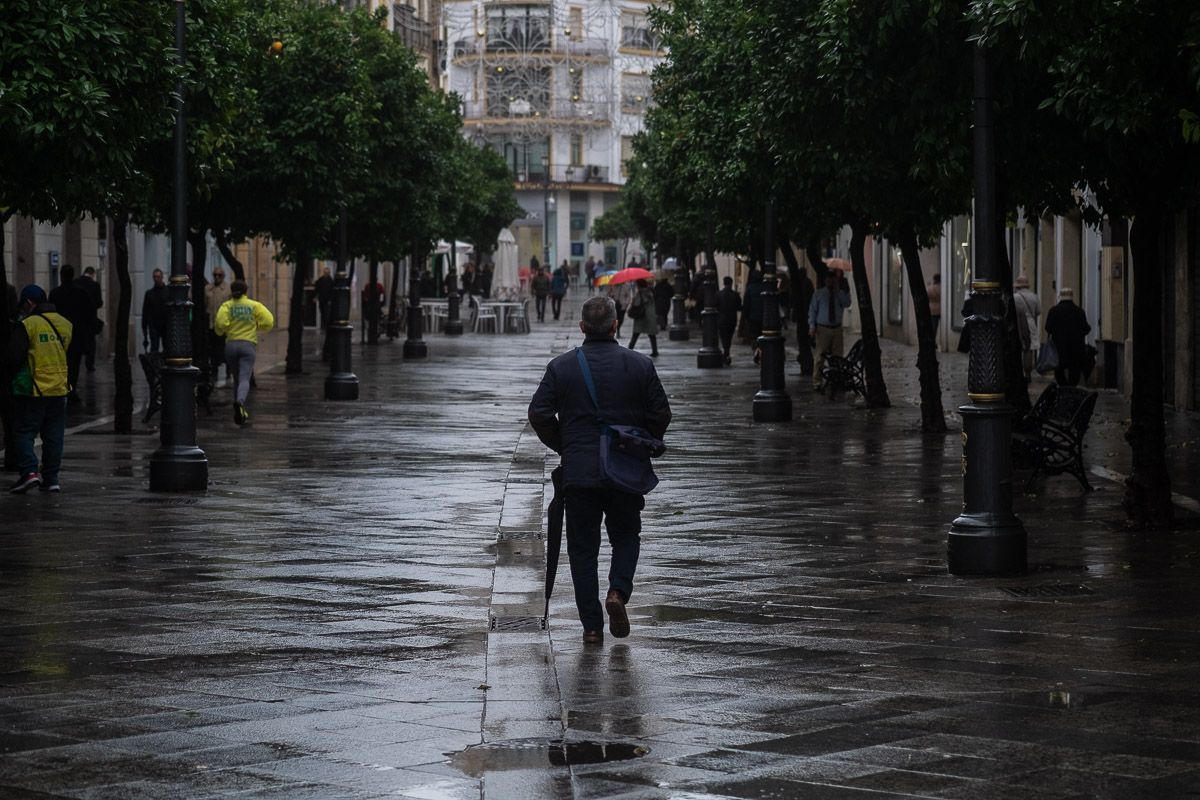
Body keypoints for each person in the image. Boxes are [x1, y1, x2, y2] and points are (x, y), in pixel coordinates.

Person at [527, 296, 672, 643]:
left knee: (582, 549)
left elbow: (539, 413)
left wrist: (565, 444)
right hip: (625, 469)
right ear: (615, 325)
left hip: (580, 471)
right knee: (625, 535)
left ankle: (592, 627)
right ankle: (617, 592)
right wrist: (640, 440)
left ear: (581, 328)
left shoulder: (561, 367)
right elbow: (660, 414)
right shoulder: (639, 365)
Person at [6, 285, 72, 493]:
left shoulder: (28, 324)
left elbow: (15, 357)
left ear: (29, 303)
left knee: (23, 432)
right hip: (59, 387)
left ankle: (29, 472)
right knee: (54, 436)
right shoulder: (65, 324)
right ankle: (51, 479)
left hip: (33, 388)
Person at [214, 280, 274, 426]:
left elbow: (220, 324)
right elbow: (269, 321)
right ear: (246, 291)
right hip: (248, 346)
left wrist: (224, 330)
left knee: (236, 377)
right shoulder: (253, 305)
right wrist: (258, 326)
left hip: (231, 345)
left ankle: (239, 411)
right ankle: (240, 403)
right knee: (244, 378)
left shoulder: (227, 306)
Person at [48, 265, 92, 394]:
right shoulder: (81, 293)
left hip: (58, 334)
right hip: (76, 334)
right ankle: (71, 387)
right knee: (74, 364)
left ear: (61, 276)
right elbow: (88, 313)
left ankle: (62, 386)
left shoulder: (55, 293)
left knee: (61, 362)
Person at [808, 269, 852, 390]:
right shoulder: (819, 294)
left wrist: (839, 291)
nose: (831, 282)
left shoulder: (839, 293)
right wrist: (812, 326)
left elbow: (847, 303)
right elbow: (812, 311)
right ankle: (817, 381)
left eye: (833, 280)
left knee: (837, 356)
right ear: (825, 281)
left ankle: (836, 379)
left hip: (837, 328)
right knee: (820, 356)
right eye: (829, 280)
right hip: (823, 328)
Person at [1044, 287, 1090, 387]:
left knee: (1059, 369)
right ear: (1072, 296)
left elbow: (1048, 327)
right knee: (1075, 370)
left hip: (1059, 346)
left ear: (1060, 296)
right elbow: (1086, 328)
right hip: (1076, 347)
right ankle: (1072, 387)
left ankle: (1063, 387)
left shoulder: (1053, 311)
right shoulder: (1079, 311)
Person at [205, 266, 232, 385]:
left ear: (223, 276)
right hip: (212, 324)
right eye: (215, 275)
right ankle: (214, 373)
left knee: (225, 350)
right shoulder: (208, 289)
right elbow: (205, 304)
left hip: (224, 326)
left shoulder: (228, 290)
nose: (217, 277)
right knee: (213, 351)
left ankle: (228, 372)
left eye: (219, 275)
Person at [1012, 273, 1040, 382]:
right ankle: (1028, 370)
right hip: (1031, 323)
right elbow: (1038, 311)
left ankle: (1019, 370)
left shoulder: (1015, 297)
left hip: (1019, 323)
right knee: (1030, 348)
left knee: (1020, 346)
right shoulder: (1034, 296)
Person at [76, 267, 103, 371]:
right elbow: (99, 302)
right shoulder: (95, 285)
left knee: (77, 340)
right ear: (93, 274)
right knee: (91, 342)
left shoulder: (76, 283)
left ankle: (77, 362)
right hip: (90, 318)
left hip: (77, 318)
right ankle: (89, 364)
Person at [626, 279, 659, 357]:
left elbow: (637, 304)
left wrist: (633, 300)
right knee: (651, 335)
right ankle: (655, 350)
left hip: (641, 316)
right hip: (650, 315)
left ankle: (629, 349)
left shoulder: (640, 293)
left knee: (636, 334)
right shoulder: (650, 292)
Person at [791, 268, 815, 375]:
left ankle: (805, 363)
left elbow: (791, 299)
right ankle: (806, 362)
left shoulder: (798, 284)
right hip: (807, 314)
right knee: (806, 340)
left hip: (803, 315)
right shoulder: (808, 283)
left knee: (803, 340)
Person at [141, 268, 169, 353]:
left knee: (167, 348)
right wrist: (144, 327)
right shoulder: (149, 294)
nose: (156, 279)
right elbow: (145, 311)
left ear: (162, 277)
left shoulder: (168, 292)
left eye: (158, 277)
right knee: (154, 348)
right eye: (155, 277)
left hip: (166, 324)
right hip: (154, 325)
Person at [716, 276, 742, 365]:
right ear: (731, 283)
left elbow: (715, 306)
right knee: (729, 337)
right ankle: (726, 353)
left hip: (722, 319)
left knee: (724, 337)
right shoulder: (735, 294)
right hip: (731, 319)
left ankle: (726, 353)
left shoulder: (718, 294)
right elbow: (739, 307)